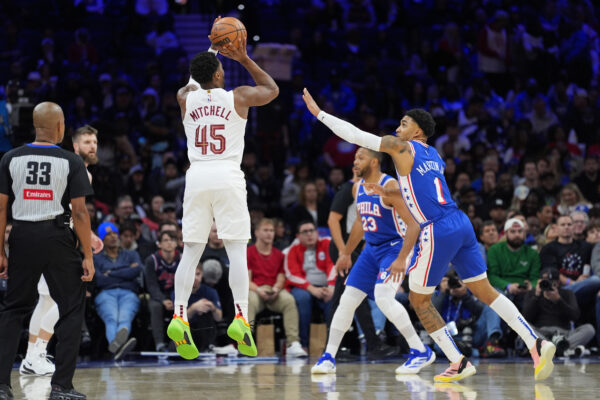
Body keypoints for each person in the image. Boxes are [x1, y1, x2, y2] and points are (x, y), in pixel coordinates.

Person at [302, 92, 555, 383]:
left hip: (436, 228)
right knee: (485, 291)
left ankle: (457, 360)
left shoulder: (403, 148)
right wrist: (387, 192)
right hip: (460, 223)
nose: (397, 128)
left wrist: (320, 114)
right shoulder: (433, 155)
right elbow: (419, 191)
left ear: (417, 131)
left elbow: (357, 135)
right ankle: (535, 342)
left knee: (419, 300)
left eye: (403, 123)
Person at [168, 27, 279, 359]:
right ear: (219, 74)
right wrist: (242, 56)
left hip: (197, 175)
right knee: (236, 252)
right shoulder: (239, 96)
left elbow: (193, 78)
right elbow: (271, 89)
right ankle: (241, 317)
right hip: (228, 175)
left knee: (190, 252)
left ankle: (178, 314)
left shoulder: (185, 98)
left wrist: (211, 48)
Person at [0, 102, 94, 400]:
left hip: (22, 236)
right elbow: (79, 213)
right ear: (60, 127)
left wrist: (0, 251)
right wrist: (88, 255)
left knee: (13, 310)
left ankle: (1, 387)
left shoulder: (10, 158)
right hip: (56, 237)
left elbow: (0, 208)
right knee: (71, 308)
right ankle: (62, 387)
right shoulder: (71, 161)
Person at [312, 148, 433, 375]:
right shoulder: (358, 187)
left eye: (361, 158)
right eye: (355, 157)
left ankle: (420, 350)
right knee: (347, 300)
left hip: (394, 247)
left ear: (375, 162)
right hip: (371, 250)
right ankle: (328, 357)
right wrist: (346, 253)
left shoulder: (390, 187)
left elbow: (414, 225)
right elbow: (360, 222)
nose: (355, 162)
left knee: (383, 297)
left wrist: (400, 259)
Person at [20, 124, 104, 377]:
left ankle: (30, 358)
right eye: (87, 142)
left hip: (44, 237)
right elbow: (70, 211)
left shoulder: (65, 166)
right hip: (58, 241)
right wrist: (86, 240)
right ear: (76, 145)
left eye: (95, 142)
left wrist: (87, 235)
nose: (92, 146)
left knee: (46, 299)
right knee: (66, 299)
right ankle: (37, 353)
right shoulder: (77, 169)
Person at [247, 218, 306, 358]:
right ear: (256, 233)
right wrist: (259, 290)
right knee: (249, 300)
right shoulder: (248, 252)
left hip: (273, 290)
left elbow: (281, 276)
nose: (269, 234)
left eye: (272, 230)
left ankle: (293, 343)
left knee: (289, 300)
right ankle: (246, 341)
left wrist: (276, 289)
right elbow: (246, 280)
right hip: (256, 289)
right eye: (265, 230)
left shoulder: (280, 254)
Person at [93, 222, 141, 360]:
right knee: (111, 318)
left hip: (128, 292)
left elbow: (136, 271)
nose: (113, 236)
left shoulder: (131, 254)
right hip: (106, 293)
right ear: (101, 239)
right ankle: (119, 348)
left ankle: (117, 349)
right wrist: (125, 272)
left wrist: (111, 273)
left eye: (114, 233)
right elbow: (99, 280)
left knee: (124, 318)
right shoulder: (96, 258)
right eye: (108, 234)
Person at [284, 220, 336, 348]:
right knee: (303, 298)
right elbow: (292, 274)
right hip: (304, 287)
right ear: (298, 236)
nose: (309, 234)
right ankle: (303, 344)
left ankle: (333, 345)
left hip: (326, 286)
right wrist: (312, 289)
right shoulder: (292, 249)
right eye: (305, 232)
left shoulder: (327, 243)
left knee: (334, 299)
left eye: (312, 231)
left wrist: (331, 287)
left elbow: (333, 265)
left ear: (317, 232)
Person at [523, 268, 596, 356]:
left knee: (589, 329)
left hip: (565, 334)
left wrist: (559, 300)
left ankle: (554, 348)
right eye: (545, 282)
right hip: (542, 333)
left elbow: (575, 316)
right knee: (522, 326)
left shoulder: (567, 294)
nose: (548, 285)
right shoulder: (533, 294)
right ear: (539, 282)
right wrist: (536, 296)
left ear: (557, 283)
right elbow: (526, 317)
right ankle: (560, 349)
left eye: (551, 282)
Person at [487, 218, 540, 309]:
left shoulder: (533, 253)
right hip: (502, 289)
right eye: (513, 231)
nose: (517, 235)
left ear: (525, 234)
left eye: (520, 231)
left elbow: (535, 277)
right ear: (505, 233)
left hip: (526, 292)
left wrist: (531, 286)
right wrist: (508, 286)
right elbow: (492, 276)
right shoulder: (495, 250)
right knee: (498, 297)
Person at [173, 261, 223, 352]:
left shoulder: (210, 292)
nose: (195, 278)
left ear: (202, 275)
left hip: (204, 330)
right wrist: (193, 308)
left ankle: (208, 347)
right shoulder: (178, 293)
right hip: (186, 330)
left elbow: (219, 318)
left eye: (198, 274)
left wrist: (212, 307)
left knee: (205, 313)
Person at [144, 230, 180, 352]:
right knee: (155, 307)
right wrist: (163, 299)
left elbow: (184, 282)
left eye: (172, 240)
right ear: (159, 244)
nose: (169, 243)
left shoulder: (182, 258)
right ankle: (159, 343)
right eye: (166, 240)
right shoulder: (152, 260)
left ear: (177, 243)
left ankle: (176, 342)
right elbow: (151, 285)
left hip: (177, 294)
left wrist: (175, 299)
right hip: (158, 294)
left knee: (182, 306)